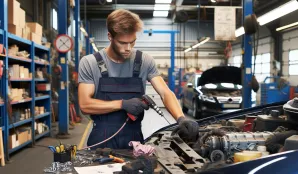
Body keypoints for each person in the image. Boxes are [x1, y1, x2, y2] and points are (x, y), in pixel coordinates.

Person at [78, 9, 199, 150]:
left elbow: (165, 93)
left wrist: (181, 118)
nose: (128, 48)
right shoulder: (90, 63)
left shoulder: (144, 61)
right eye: (122, 43)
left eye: (132, 42)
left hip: (134, 138)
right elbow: (85, 105)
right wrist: (122, 104)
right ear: (110, 36)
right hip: (101, 139)